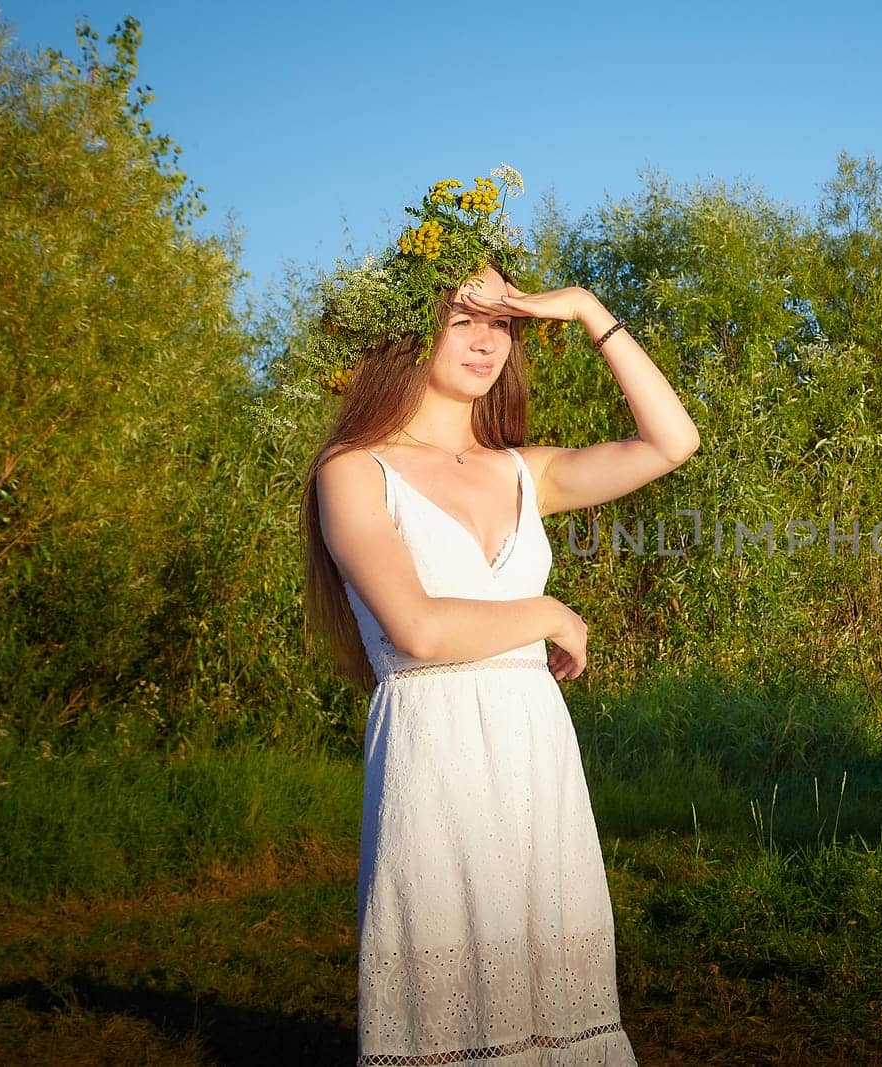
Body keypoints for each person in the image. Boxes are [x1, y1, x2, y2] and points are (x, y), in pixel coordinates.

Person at [297, 168, 698, 1063]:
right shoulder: (354, 469)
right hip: (435, 751)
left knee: (555, 1011)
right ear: (413, 330)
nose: (487, 342)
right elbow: (420, 629)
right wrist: (548, 609)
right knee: (455, 1015)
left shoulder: (524, 469)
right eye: (462, 317)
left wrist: (592, 310)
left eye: (502, 323)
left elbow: (674, 440)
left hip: (531, 746)